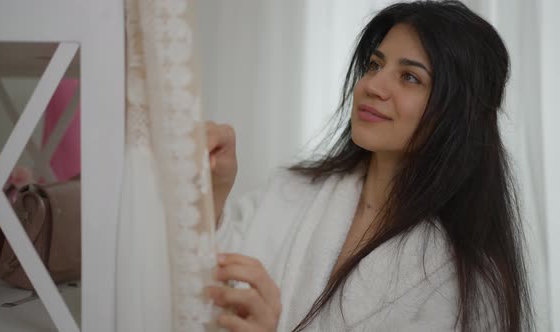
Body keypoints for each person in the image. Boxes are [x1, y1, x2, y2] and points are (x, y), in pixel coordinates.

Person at [204, 1, 533, 331]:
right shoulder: (291, 192)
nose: (372, 86)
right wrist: (214, 192)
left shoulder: (465, 282)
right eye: (375, 65)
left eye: (409, 77)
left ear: (460, 111)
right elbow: (203, 270)